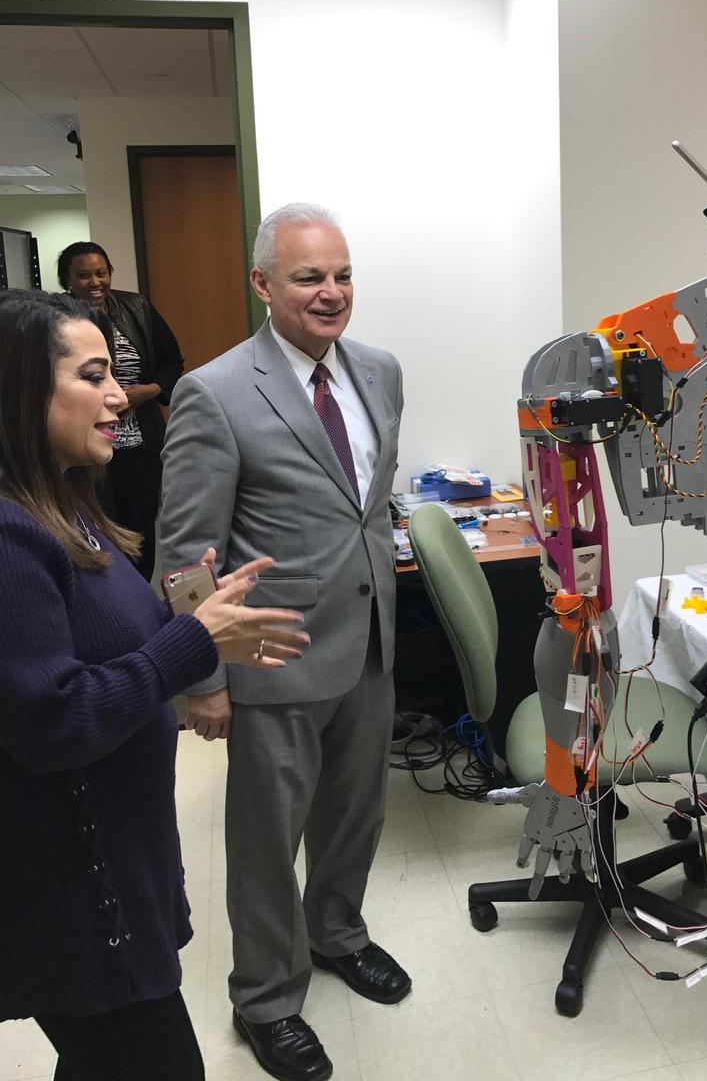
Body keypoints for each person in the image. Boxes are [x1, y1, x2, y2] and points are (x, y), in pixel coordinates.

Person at [0, 289, 309, 1081]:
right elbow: (56, 721)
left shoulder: (66, 504)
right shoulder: (10, 538)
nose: (119, 396)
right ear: (21, 389)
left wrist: (193, 617)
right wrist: (190, 645)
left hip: (117, 861)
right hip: (76, 895)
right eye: (91, 376)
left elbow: (109, 640)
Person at [159, 203, 408, 1081]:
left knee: (355, 814)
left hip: (369, 640)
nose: (331, 292)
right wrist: (202, 676)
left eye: (342, 275)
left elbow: (364, 502)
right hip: (272, 654)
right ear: (263, 284)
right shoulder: (216, 391)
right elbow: (186, 550)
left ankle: (337, 932)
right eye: (309, 278)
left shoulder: (380, 372)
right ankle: (265, 998)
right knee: (268, 842)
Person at [58, 240, 185, 581]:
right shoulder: (57, 319)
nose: (95, 282)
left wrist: (151, 391)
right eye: (84, 275)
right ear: (67, 279)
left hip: (140, 445)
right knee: (97, 530)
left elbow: (173, 362)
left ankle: (140, 596)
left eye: (101, 273)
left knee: (142, 529)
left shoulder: (136, 307)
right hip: (88, 450)